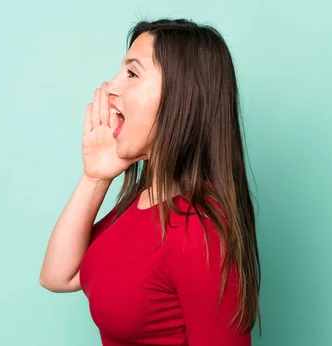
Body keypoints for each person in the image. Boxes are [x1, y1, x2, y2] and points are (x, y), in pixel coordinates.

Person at [40, 18, 261, 346]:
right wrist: (95, 177)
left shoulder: (199, 232)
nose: (112, 86)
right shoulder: (142, 201)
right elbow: (59, 275)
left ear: (180, 96)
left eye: (132, 73)